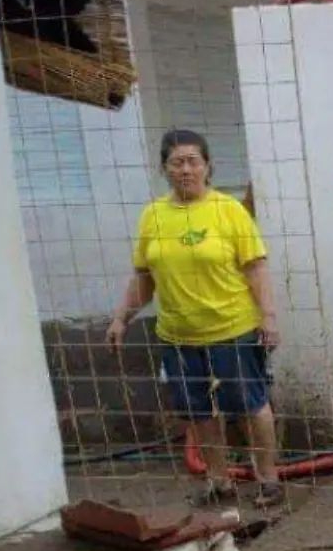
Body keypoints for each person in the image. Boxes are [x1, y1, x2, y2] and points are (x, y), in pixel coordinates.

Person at [107, 129, 284, 509]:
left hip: (232, 328)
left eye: (193, 161)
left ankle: (268, 478)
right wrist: (122, 316)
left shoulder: (228, 210)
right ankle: (218, 480)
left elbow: (256, 268)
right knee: (197, 410)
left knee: (251, 405)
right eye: (176, 162)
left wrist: (268, 317)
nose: (186, 169)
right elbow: (144, 277)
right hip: (177, 335)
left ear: (207, 166)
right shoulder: (153, 215)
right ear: (164, 168)